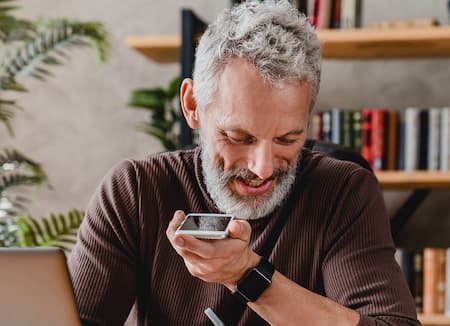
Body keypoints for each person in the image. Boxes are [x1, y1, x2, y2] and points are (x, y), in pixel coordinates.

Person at [68, 1, 419, 325]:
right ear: (192, 106)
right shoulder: (136, 191)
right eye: (239, 137)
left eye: (287, 139)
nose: (263, 168)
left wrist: (246, 275)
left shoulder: (343, 192)